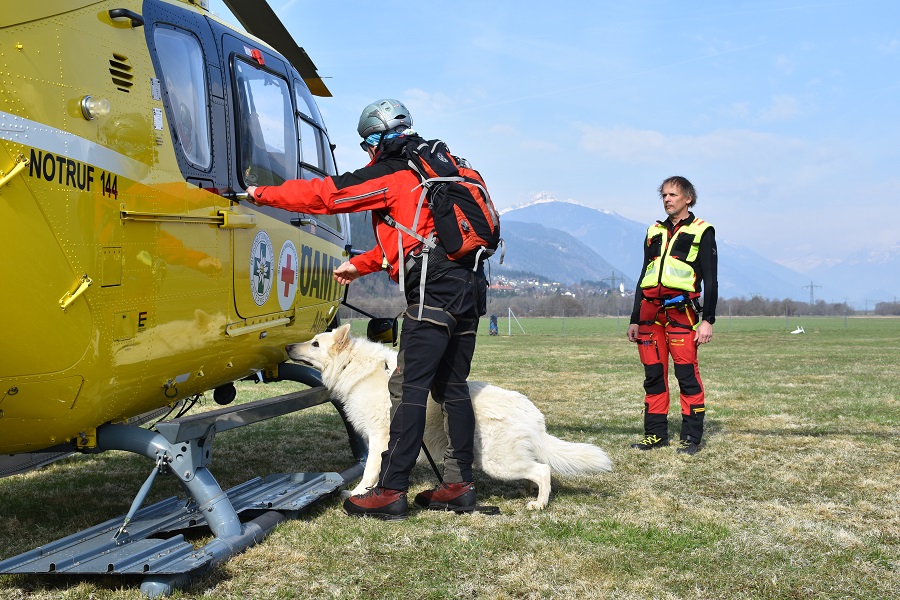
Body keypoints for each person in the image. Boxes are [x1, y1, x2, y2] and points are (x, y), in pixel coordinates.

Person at [246, 99, 487, 519]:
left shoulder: (395, 173)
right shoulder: (454, 168)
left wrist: (260, 193)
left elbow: (328, 196)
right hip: (471, 288)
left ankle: (391, 490)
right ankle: (458, 484)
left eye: (366, 146)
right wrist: (362, 264)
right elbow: (417, 235)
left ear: (374, 140)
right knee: (452, 388)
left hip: (433, 292)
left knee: (406, 388)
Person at [626, 176, 717, 455]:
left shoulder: (703, 231)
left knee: (686, 376)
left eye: (673, 195)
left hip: (682, 315)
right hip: (649, 316)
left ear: (688, 198)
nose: (667, 199)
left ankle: (690, 437)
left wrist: (708, 320)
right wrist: (634, 317)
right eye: (664, 195)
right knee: (653, 376)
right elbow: (645, 275)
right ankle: (655, 434)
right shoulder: (653, 231)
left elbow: (711, 280)